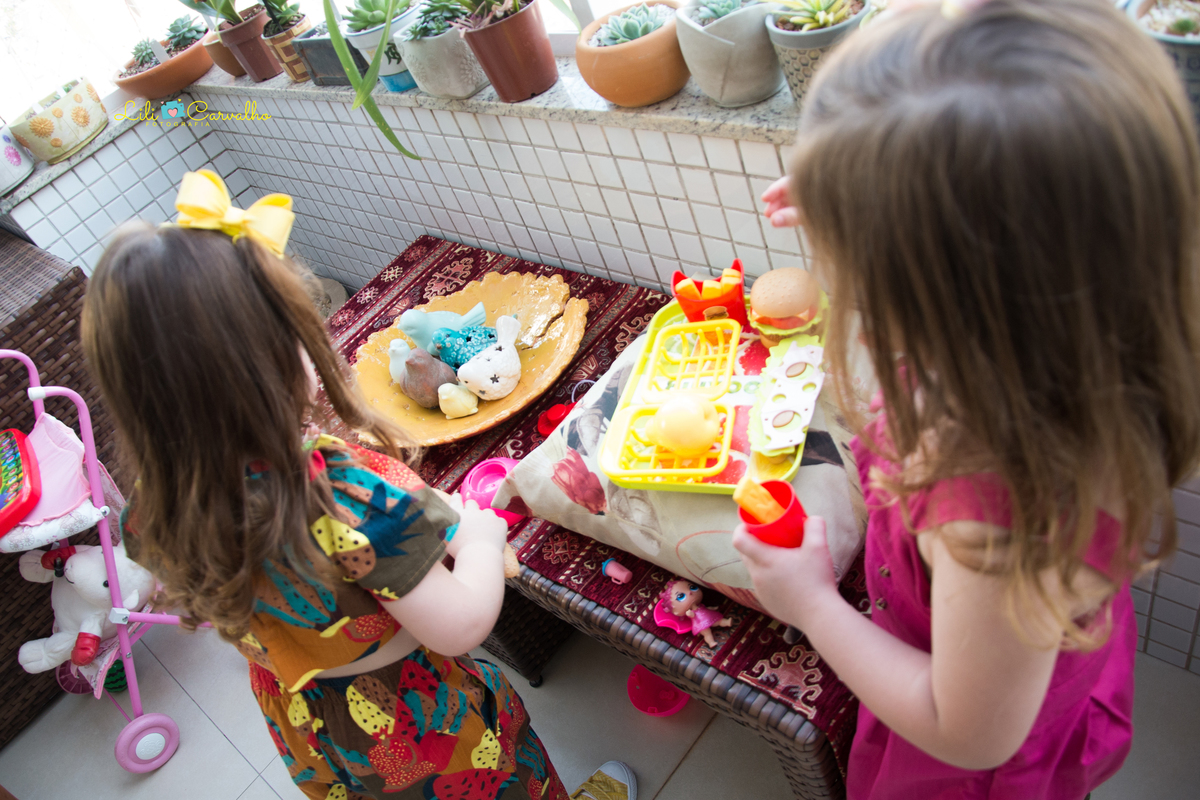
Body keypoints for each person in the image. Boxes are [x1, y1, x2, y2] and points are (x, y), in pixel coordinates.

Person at [737, 2, 1200, 799]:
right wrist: (861, 198)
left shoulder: (994, 504)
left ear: (949, 292)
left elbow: (970, 728)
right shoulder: (1086, 344)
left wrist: (811, 604)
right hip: (1023, 656)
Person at [80, 171, 635, 800]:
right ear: (272, 363)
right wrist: (479, 538)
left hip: (315, 724)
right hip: (421, 722)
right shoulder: (343, 499)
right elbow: (457, 626)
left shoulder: (154, 504)